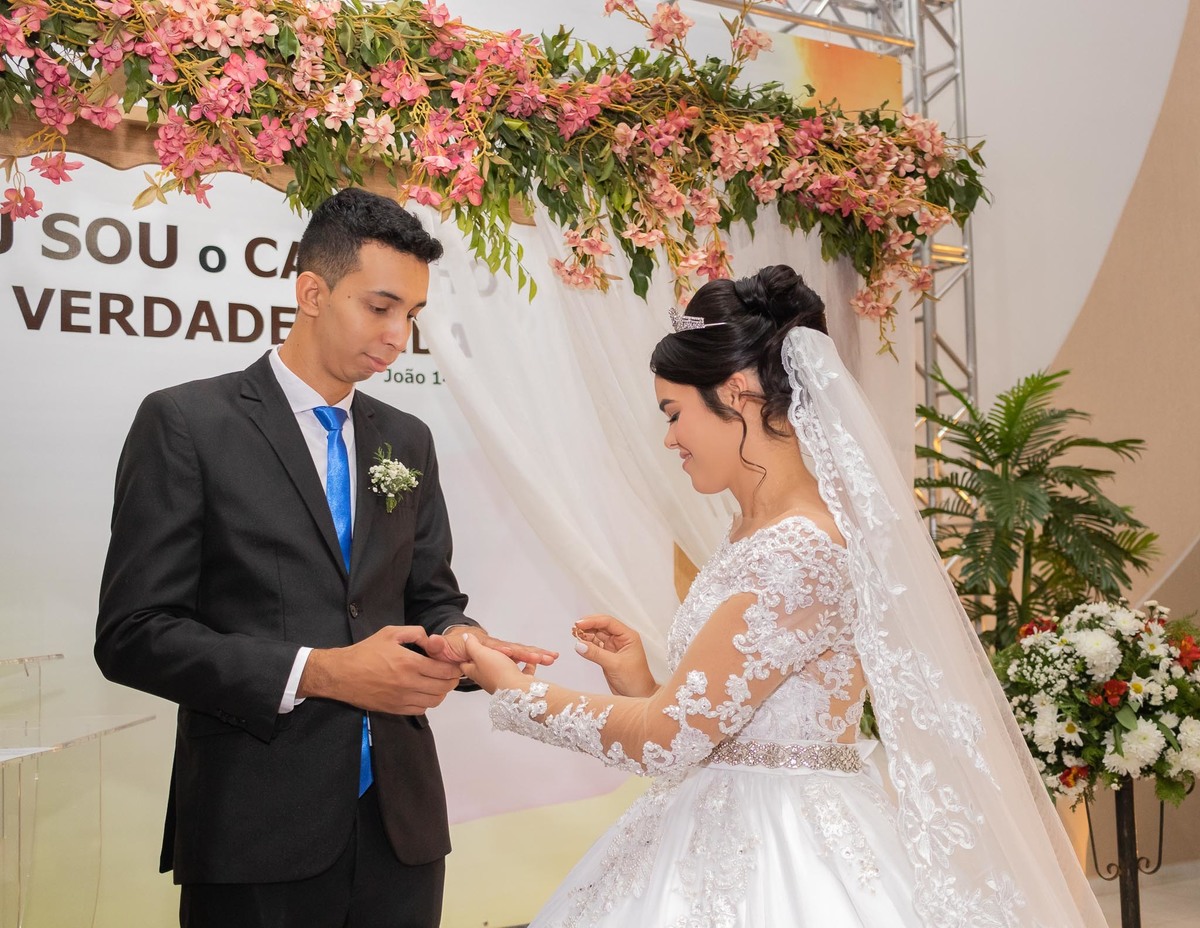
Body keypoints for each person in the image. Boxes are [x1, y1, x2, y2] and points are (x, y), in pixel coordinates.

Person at [459, 265, 1108, 926]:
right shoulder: (754, 534)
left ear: (736, 393)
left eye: (674, 412)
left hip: (786, 852)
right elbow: (716, 728)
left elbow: (670, 740)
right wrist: (640, 680)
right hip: (728, 821)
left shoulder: (798, 551)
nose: (670, 439)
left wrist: (515, 691)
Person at [95, 187, 555, 928]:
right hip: (254, 828)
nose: (399, 335)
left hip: (401, 829)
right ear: (312, 291)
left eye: (411, 314)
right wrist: (322, 671)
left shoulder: (406, 440)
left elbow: (429, 595)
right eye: (380, 307)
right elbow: (133, 635)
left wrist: (462, 640)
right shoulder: (186, 424)